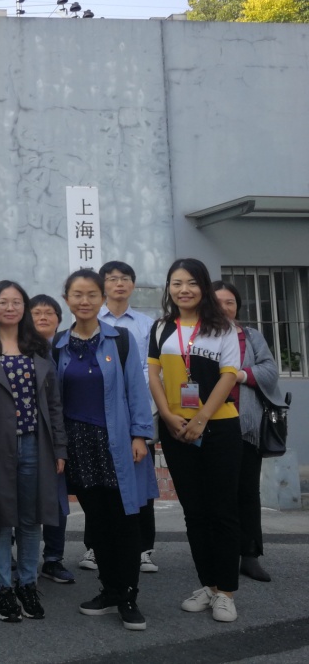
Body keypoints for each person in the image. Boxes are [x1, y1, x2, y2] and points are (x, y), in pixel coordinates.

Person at [53, 271, 157, 631]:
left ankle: (128, 596)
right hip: (78, 444)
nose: (84, 301)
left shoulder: (120, 340)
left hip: (116, 442)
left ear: (101, 299)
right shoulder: (58, 345)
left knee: (124, 520)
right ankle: (109, 590)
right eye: (77, 294)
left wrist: (140, 435)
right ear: (67, 299)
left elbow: (136, 390)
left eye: (91, 294)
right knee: (97, 521)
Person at [0, 281, 65, 623]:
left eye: (17, 302)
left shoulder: (39, 348)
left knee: (31, 519)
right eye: (3, 302)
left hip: (36, 444)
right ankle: (4, 588)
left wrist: (60, 447)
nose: (10, 307)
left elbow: (53, 403)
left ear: (24, 308)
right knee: (1, 519)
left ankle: (28, 585)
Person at [148, 258, 241, 623]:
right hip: (176, 430)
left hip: (219, 428)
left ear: (203, 286)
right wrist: (167, 416)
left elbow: (228, 376)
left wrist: (201, 419)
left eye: (190, 283)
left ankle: (226, 592)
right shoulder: (161, 327)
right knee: (195, 512)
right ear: (169, 288)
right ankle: (209, 585)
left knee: (223, 511)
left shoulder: (223, 328)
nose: (183, 289)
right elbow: (153, 374)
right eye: (176, 283)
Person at [212, 281, 284, 583]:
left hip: (245, 427)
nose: (224, 308)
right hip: (210, 427)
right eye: (217, 302)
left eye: (230, 302)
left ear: (238, 307)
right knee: (215, 494)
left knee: (247, 493)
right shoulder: (197, 337)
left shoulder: (251, 336)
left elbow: (270, 370)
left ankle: (250, 554)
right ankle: (218, 554)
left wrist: (239, 375)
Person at [94, 260, 161, 575]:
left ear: (132, 285)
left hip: (137, 413)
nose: (118, 284)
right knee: (99, 482)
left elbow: (151, 369)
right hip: (99, 415)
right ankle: (96, 547)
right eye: (112, 279)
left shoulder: (148, 324)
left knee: (140, 482)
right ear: (102, 285)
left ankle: (143, 549)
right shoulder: (91, 321)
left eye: (124, 278)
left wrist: (135, 402)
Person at [29, 294, 77, 586]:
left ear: (59, 320)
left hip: (61, 432)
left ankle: (53, 558)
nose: (43, 317)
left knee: (57, 498)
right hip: (28, 433)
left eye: (49, 313)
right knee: (24, 496)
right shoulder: (18, 348)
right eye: (36, 313)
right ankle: (22, 559)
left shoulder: (67, 348)